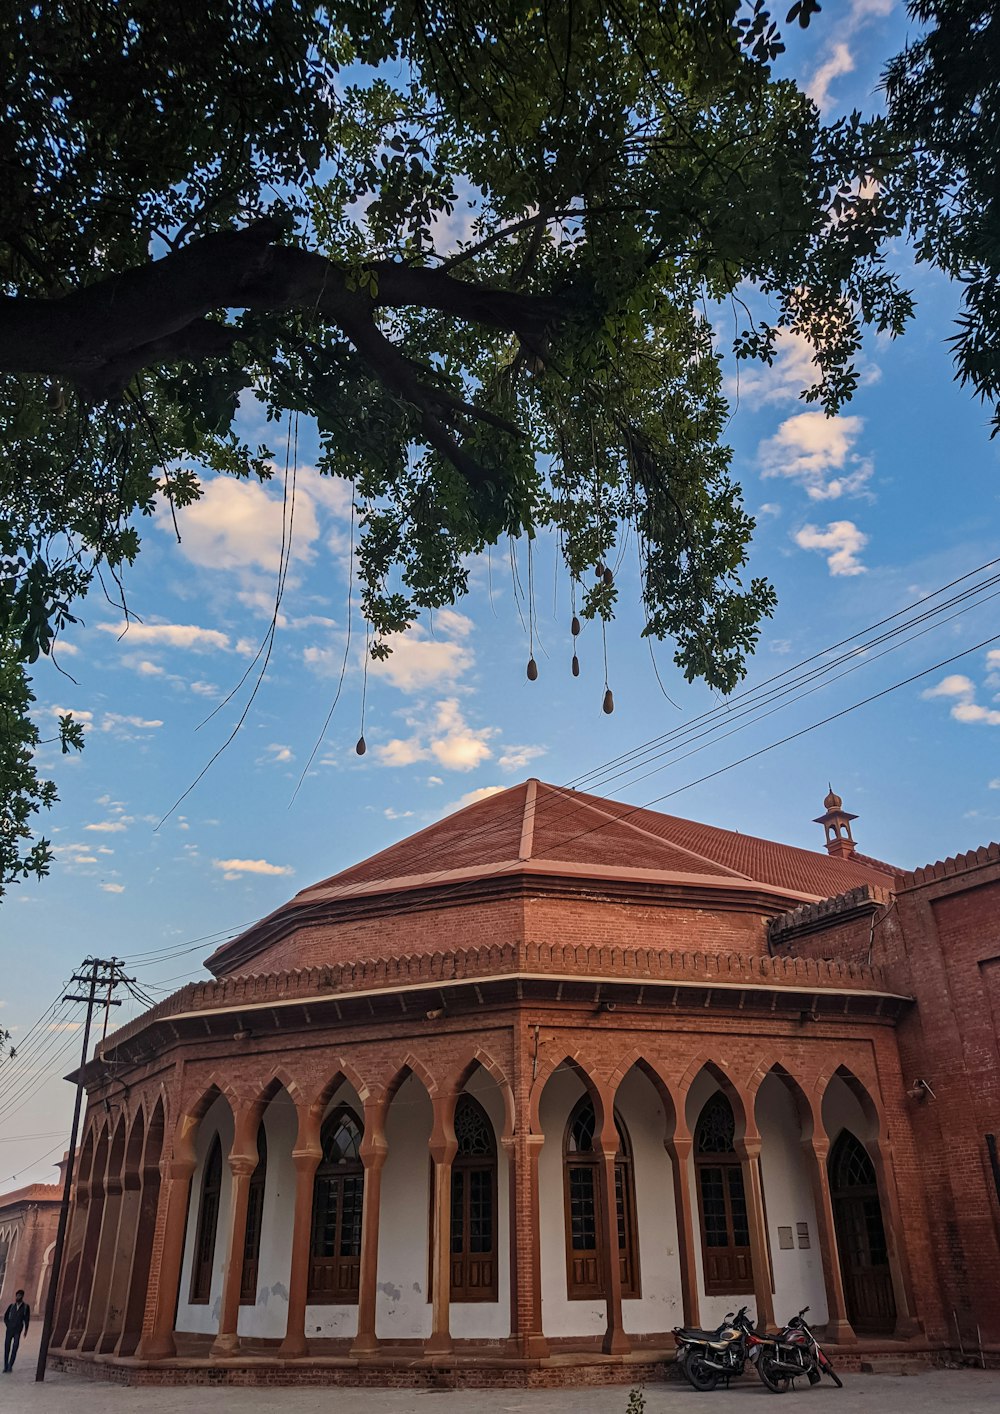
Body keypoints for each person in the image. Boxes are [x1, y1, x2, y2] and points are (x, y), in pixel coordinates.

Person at [3, 1290, 29, 1373]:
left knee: (15, 1347)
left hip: (17, 1330)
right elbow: (5, 1317)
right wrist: (8, 1324)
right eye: (17, 1296)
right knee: (7, 1348)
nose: (18, 1297)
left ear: (22, 1296)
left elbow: (27, 1319)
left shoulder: (25, 1307)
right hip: (9, 1330)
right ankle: (5, 1366)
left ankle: (10, 1365)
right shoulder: (11, 1306)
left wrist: (25, 1330)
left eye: (19, 1296)